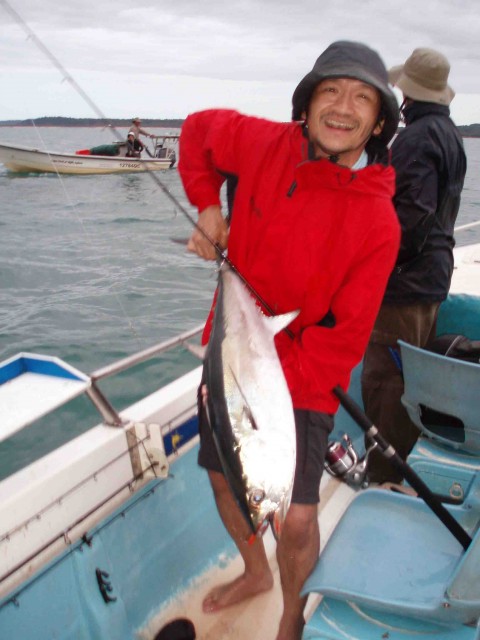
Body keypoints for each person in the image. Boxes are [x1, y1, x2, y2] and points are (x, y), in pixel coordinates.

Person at [178, 40, 401, 640]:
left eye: (362, 98)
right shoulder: (262, 143)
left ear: (378, 122)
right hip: (231, 349)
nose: (342, 107)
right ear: (306, 104)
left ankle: (290, 615)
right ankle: (255, 571)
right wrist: (207, 207)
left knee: (297, 518)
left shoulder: (379, 222)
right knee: (224, 477)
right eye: (330, 90)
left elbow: (344, 342)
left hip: (299, 371)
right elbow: (197, 133)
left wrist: (267, 390)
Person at [361, 48, 467, 484]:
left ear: (409, 94)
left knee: (387, 381)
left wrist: (373, 263)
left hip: (403, 285)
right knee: (410, 376)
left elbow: (412, 217)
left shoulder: (419, 138)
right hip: (432, 275)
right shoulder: (449, 133)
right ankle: (400, 467)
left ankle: (384, 475)